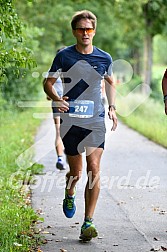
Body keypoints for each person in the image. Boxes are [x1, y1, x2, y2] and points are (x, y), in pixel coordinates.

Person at [43, 10, 117, 241]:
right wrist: (57, 99)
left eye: (89, 29)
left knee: (94, 168)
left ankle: (88, 222)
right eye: (81, 29)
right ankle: (70, 191)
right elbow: (48, 82)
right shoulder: (64, 56)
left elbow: (110, 81)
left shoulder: (104, 58)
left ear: (94, 31)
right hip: (71, 122)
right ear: (74, 31)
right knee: (76, 172)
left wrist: (112, 107)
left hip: (95, 119)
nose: (85, 33)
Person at [44, 47, 66, 170]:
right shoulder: (72, 69)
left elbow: (46, 85)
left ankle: (60, 158)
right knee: (70, 130)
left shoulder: (51, 71)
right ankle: (69, 152)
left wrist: (51, 96)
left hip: (57, 103)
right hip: (69, 103)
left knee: (59, 131)